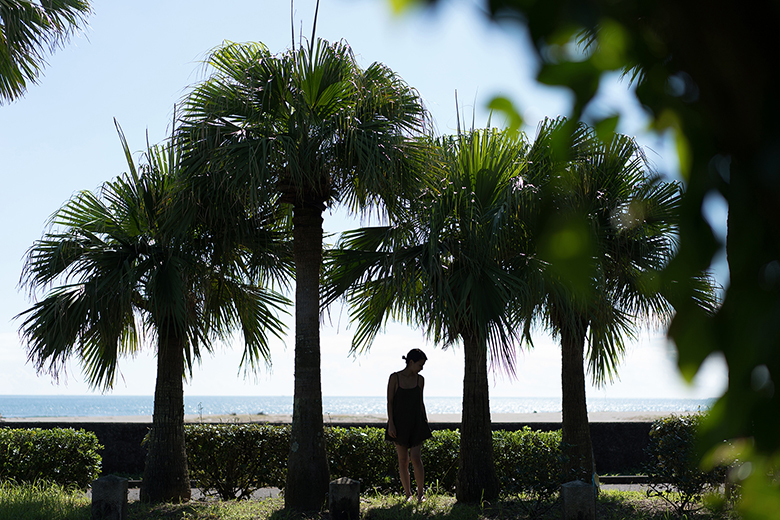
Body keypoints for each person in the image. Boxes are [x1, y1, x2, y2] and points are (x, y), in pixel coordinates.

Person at [386, 348, 432, 502]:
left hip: (416, 422)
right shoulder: (395, 378)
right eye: (420, 365)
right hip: (399, 423)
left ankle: (420, 494)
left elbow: (420, 402)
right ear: (411, 362)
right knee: (403, 460)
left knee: (416, 458)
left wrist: (424, 423)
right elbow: (390, 402)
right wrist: (391, 423)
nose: (421, 368)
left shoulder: (420, 380)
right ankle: (408, 495)